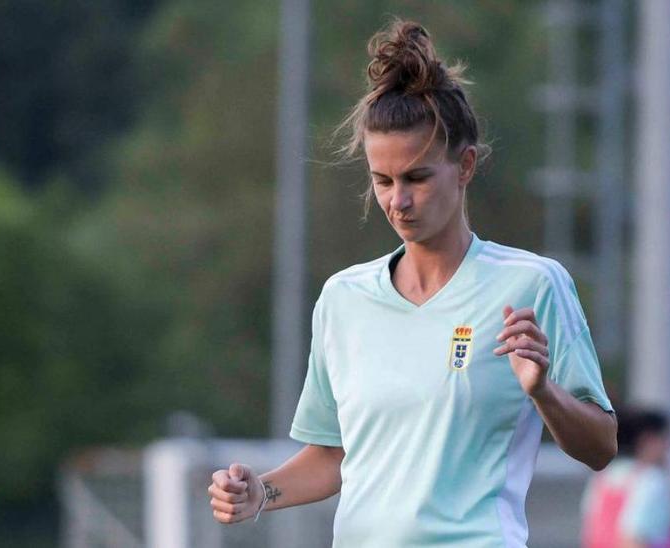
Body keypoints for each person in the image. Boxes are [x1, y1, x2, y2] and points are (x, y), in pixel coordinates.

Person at [206, 19, 617, 547]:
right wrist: (261, 492)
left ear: (465, 166)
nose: (398, 201)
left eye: (417, 178)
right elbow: (334, 455)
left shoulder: (532, 284)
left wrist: (543, 392)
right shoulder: (343, 298)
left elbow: (602, 447)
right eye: (383, 180)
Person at [580, 407, 670, 548]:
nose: (669, 446)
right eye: (664, 439)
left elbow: (590, 532)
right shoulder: (651, 481)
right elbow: (634, 539)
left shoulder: (602, 478)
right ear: (648, 440)